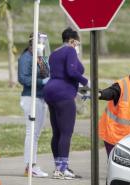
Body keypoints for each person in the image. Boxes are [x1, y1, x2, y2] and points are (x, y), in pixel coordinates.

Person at [43, 27, 88, 180]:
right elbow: (73, 72)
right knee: (66, 132)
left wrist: (76, 58)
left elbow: (78, 68)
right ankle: (62, 169)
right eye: (77, 43)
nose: (77, 46)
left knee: (57, 132)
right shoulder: (69, 50)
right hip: (63, 92)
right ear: (72, 41)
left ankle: (59, 167)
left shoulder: (54, 53)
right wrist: (86, 83)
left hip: (50, 91)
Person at [18, 33, 50, 177]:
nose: (42, 45)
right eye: (40, 43)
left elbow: (47, 72)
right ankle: (30, 166)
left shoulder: (40, 57)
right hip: (30, 98)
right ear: (32, 43)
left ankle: (31, 165)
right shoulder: (26, 58)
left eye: (43, 43)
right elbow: (23, 78)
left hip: (42, 97)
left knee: (36, 133)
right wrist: (41, 82)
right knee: (31, 132)